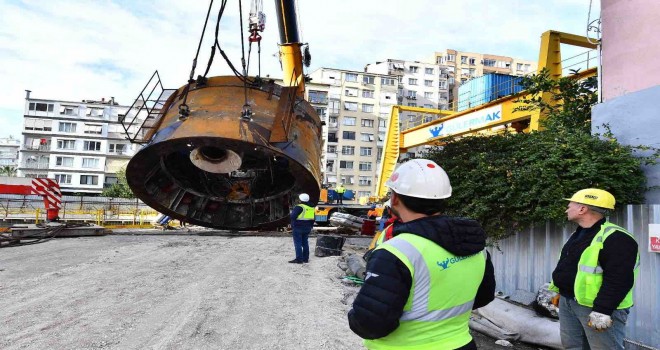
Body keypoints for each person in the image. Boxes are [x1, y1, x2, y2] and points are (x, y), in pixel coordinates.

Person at [348, 159, 496, 349]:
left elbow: (369, 324)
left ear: (395, 199)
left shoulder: (397, 252)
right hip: (462, 344)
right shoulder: (475, 245)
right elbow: (484, 296)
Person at [549, 188, 639, 350]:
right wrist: (559, 291)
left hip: (597, 308)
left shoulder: (617, 238)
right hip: (569, 301)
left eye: (570, 205)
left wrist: (602, 311)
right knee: (573, 347)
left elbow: (619, 279)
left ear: (583, 209)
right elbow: (568, 267)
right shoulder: (579, 234)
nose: (567, 209)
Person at [289, 193, 315, 264]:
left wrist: (291, 213)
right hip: (307, 228)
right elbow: (313, 219)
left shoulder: (299, 207)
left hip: (298, 227)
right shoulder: (311, 207)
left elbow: (292, 217)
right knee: (305, 243)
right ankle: (305, 259)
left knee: (298, 243)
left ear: (300, 200)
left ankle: (299, 259)